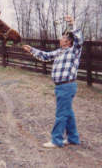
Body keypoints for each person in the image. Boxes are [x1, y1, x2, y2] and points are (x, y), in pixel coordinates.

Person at [21, 15, 83, 148]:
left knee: (61, 114)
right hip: (61, 87)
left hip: (67, 86)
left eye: (63, 37)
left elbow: (79, 39)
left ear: (68, 41)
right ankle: (73, 138)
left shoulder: (74, 50)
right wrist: (31, 49)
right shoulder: (60, 52)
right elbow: (45, 55)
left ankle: (56, 140)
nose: (60, 39)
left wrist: (72, 24)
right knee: (68, 112)